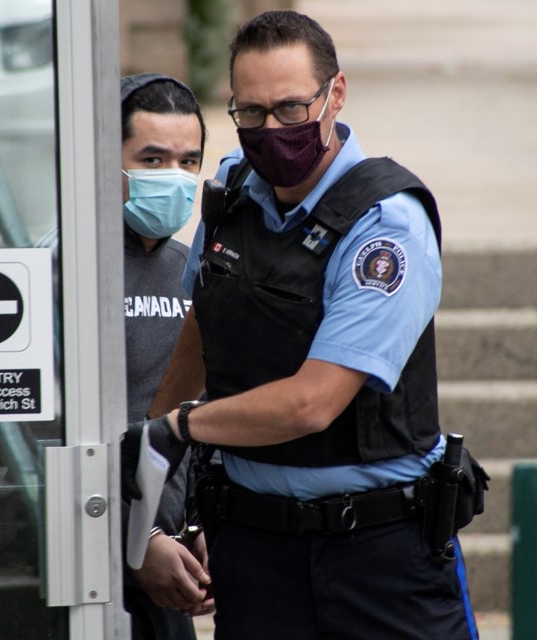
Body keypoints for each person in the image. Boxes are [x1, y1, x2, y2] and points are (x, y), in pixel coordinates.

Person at [130, 10, 482, 640]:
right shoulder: (231, 192)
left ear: (335, 95)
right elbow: (201, 332)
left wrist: (179, 427)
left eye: (291, 110)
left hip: (378, 555)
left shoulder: (386, 224)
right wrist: (159, 511)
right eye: (252, 113)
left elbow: (312, 405)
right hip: (251, 549)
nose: (272, 130)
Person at [118, 72, 214, 640]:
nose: (172, 178)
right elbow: (39, 436)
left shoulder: (196, 269)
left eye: (187, 161)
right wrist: (138, 541)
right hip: (85, 556)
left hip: (168, 563)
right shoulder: (63, 271)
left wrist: (201, 521)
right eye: (152, 160)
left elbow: (204, 412)